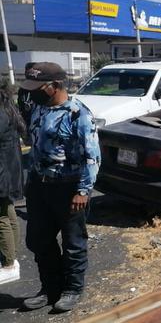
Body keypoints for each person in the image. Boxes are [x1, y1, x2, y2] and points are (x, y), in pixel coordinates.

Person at [18, 62, 101, 313]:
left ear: (54, 87)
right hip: (39, 187)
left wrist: (83, 191)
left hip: (68, 188)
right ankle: (50, 288)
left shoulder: (78, 114)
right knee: (39, 240)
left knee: (73, 242)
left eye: (38, 87)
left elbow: (92, 156)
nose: (32, 93)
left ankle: (72, 289)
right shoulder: (39, 110)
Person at [0, 78, 24, 285]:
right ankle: (12, 256)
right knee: (8, 212)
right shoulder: (7, 105)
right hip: (9, 169)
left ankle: (9, 263)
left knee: (1, 217)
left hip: (2, 172)